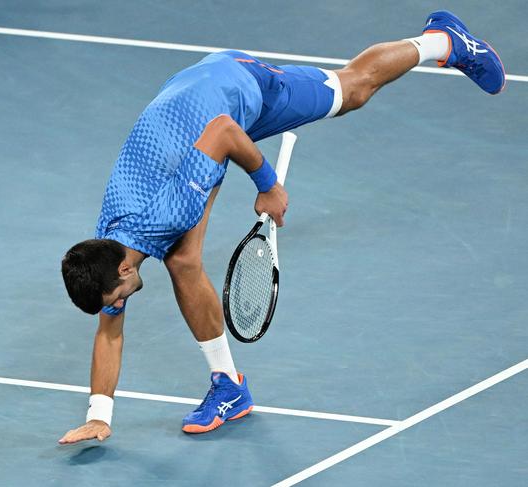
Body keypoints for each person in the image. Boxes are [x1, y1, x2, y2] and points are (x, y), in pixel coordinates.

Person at [58, 10, 504, 444]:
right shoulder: (108, 242)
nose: (116, 306)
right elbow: (109, 330)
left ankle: (443, 41)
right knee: (182, 260)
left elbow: (224, 132)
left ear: (123, 272)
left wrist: (268, 186)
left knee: (353, 89)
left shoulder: (168, 211)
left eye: (113, 299)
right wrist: (99, 415)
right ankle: (229, 387)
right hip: (191, 96)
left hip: (237, 89)